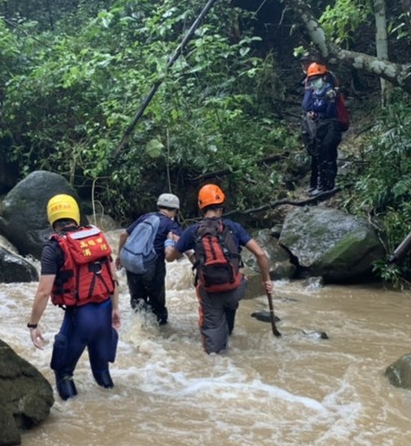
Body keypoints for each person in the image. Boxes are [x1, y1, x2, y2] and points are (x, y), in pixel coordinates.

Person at [27, 194, 122, 400]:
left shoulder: (53, 248)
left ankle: (73, 417)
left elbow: (44, 291)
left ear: (52, 218)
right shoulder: (97, 237)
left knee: (64, 372)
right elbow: (112, 278)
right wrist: (115, 308)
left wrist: (33, 325)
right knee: (102, 371)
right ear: (75, 215)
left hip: (80, 317)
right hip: (104, 313)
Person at [164, 184, 273, 355]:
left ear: (201, 208)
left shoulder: (192, 231)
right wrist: (266, 280)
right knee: (238, 277)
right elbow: (260, 254)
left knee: (214, 350)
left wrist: (170, 242)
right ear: (221, 208)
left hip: (210, 291)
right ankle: (228, 327)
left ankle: (218, 363)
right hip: (235, 288)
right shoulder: (233, 227)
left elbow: (170, 258)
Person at [115, 192, 181, 325]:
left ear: (159, 206)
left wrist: (119, 256)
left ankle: (139, 328)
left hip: (131, 262)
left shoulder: (145, 217)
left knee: (137, 301)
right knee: (157, 303)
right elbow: (178, 247)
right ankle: (160, 333)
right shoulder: (171, 225)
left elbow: (123, 234)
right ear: (175, 210)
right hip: (152, 266)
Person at [300, 61, 345, 195]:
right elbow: (306, 106)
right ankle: (321, 186)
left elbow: (331, 112)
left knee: (328, 154)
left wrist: (331, 100)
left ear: (324, 78)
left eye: (316, 79)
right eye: (312, 80)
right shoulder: (315, 92)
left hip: (332, 125)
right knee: (320, 155)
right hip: (320, 125)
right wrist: (309, 90)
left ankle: (328, 186)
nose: (314, 82)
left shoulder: (330, 91)